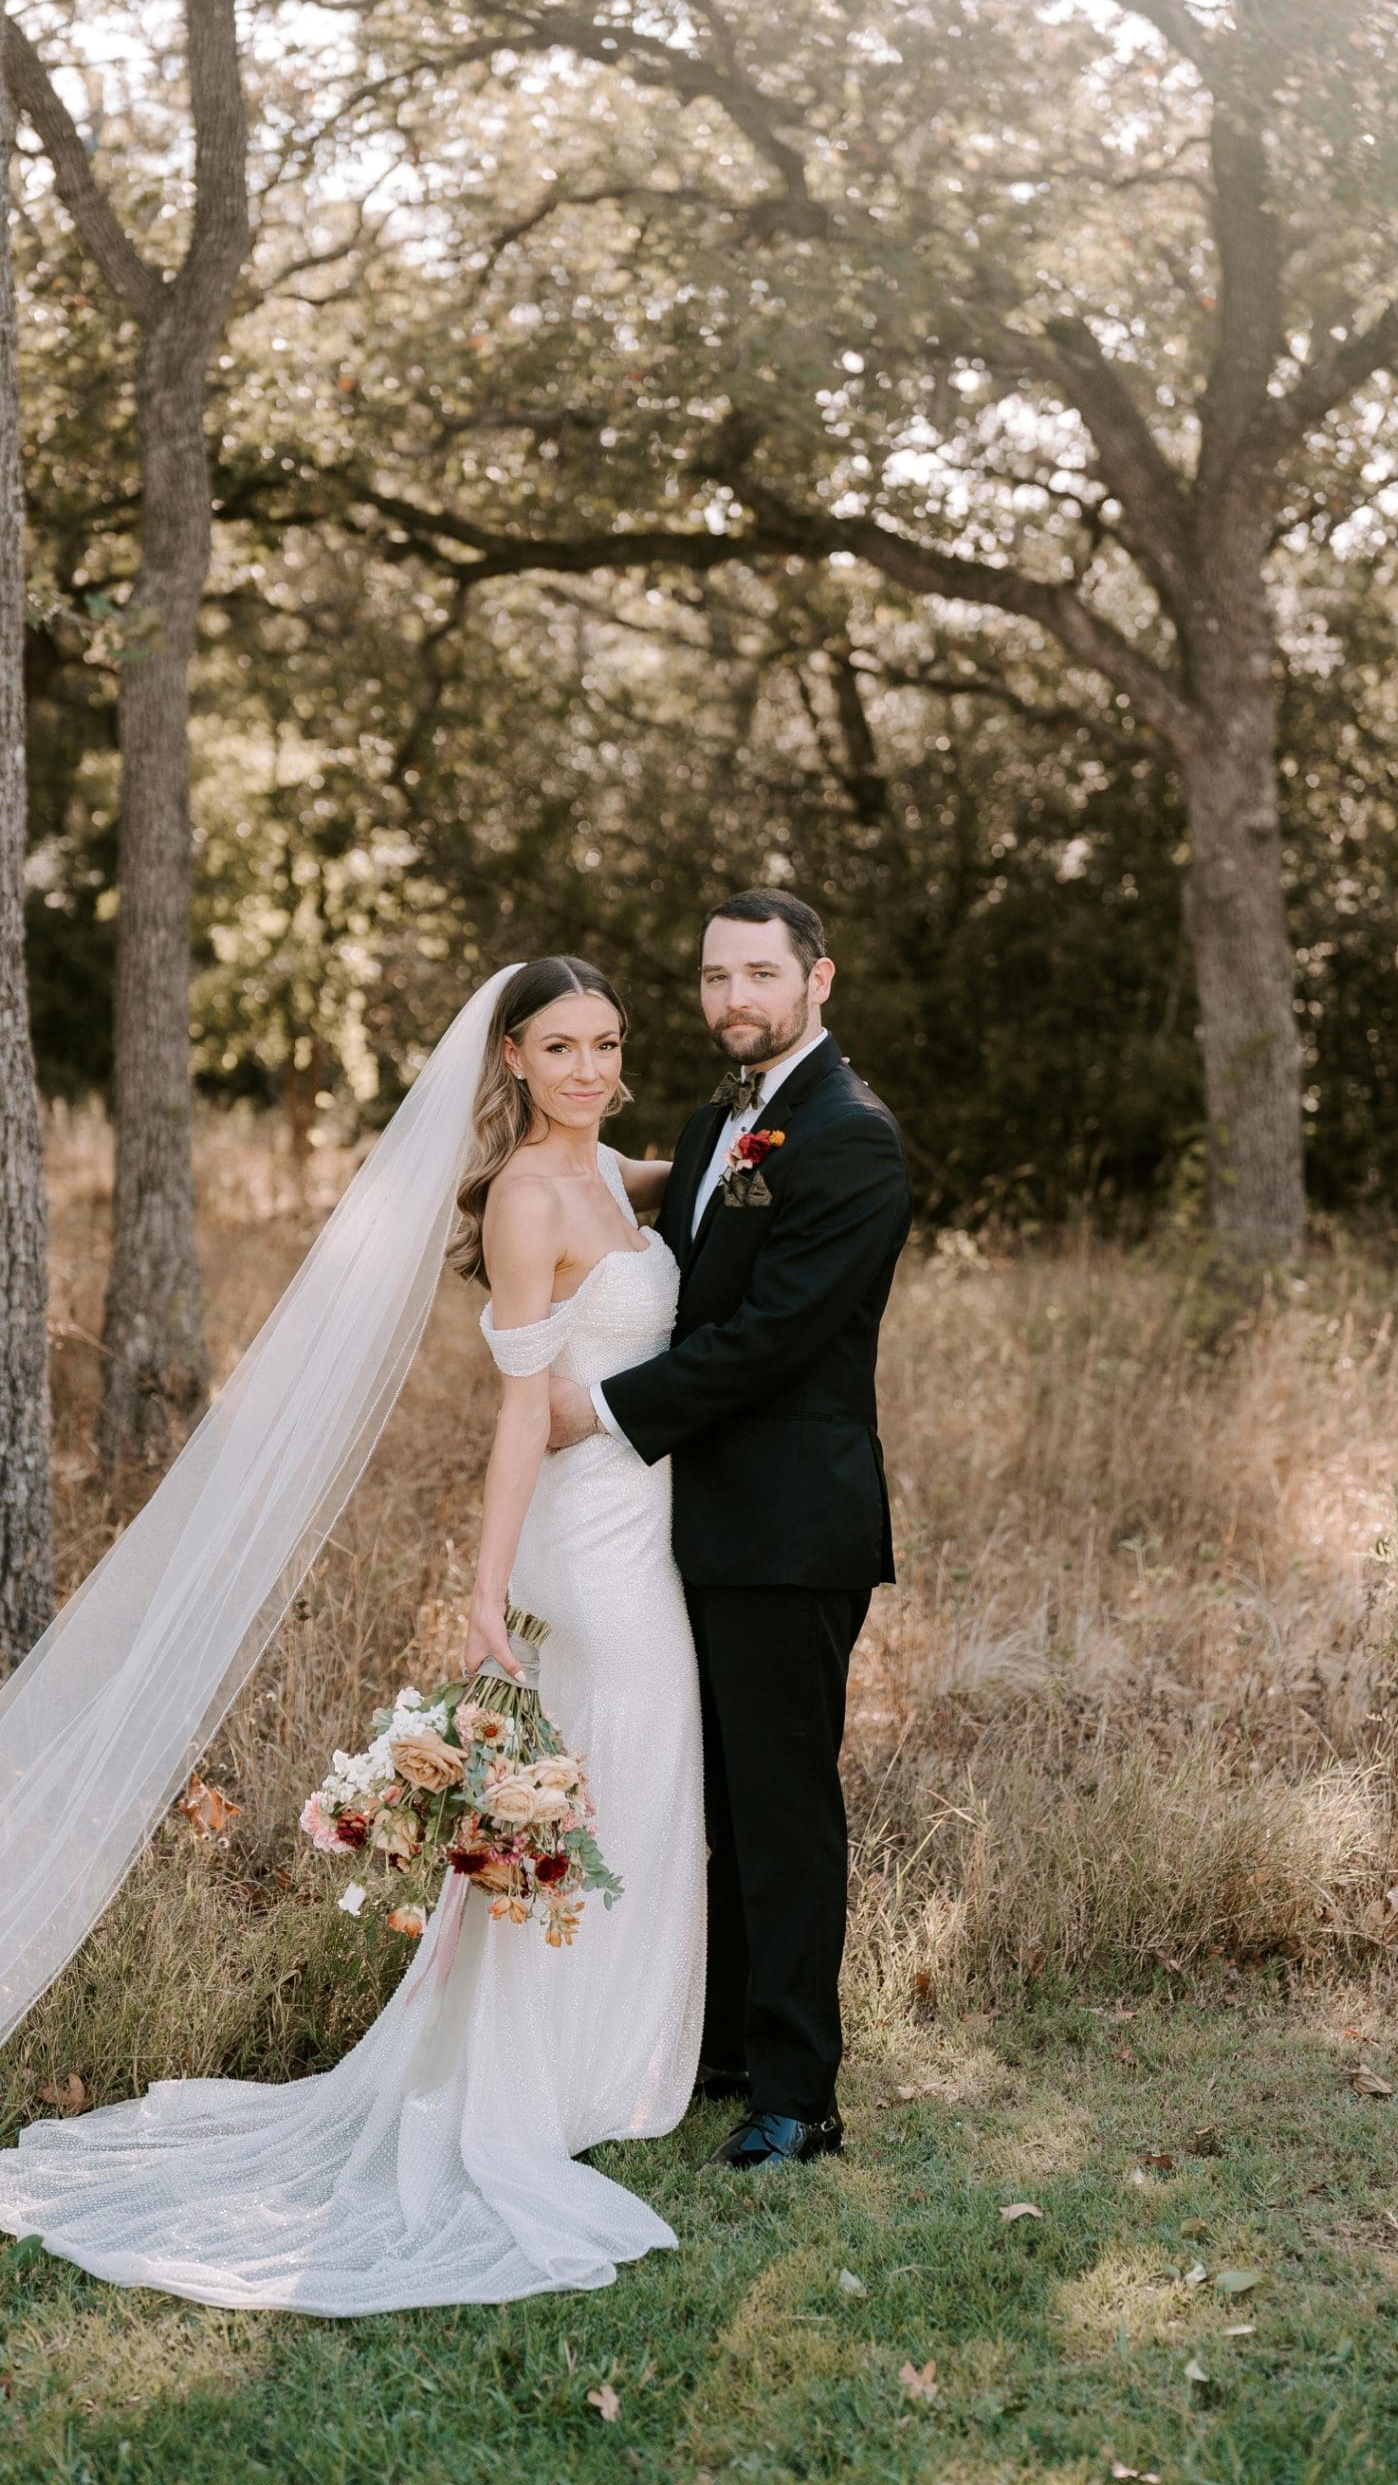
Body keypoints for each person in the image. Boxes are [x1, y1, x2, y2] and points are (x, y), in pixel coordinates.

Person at [0, 956, 708, 2312]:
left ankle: (612, 2065)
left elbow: (681, 1174)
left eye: (606, 1044)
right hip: (588, 1538)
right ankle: (554, 2076)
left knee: (637, 1779)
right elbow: (513, 1410)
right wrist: (484, 1592)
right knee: (620, 1767)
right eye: (560, 1049)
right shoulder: (531, 1197)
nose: (590, 1070)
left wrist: (756, 1137)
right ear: (511, 1065)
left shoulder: (605, 1172)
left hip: (642, 1513)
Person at [548, 889, 912, 2172]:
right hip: (695, 1520)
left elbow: (768, 1341)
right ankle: (725, 2048)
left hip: (789, 1527)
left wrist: (592, 1408)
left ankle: (799, 2094)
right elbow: (659, 1231)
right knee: (717, 1800)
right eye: (713, 977)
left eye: (760, 973)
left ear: (821, 981)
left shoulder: (850, 1137)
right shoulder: (724, 1120)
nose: (734, 999)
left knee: (783, 1806)